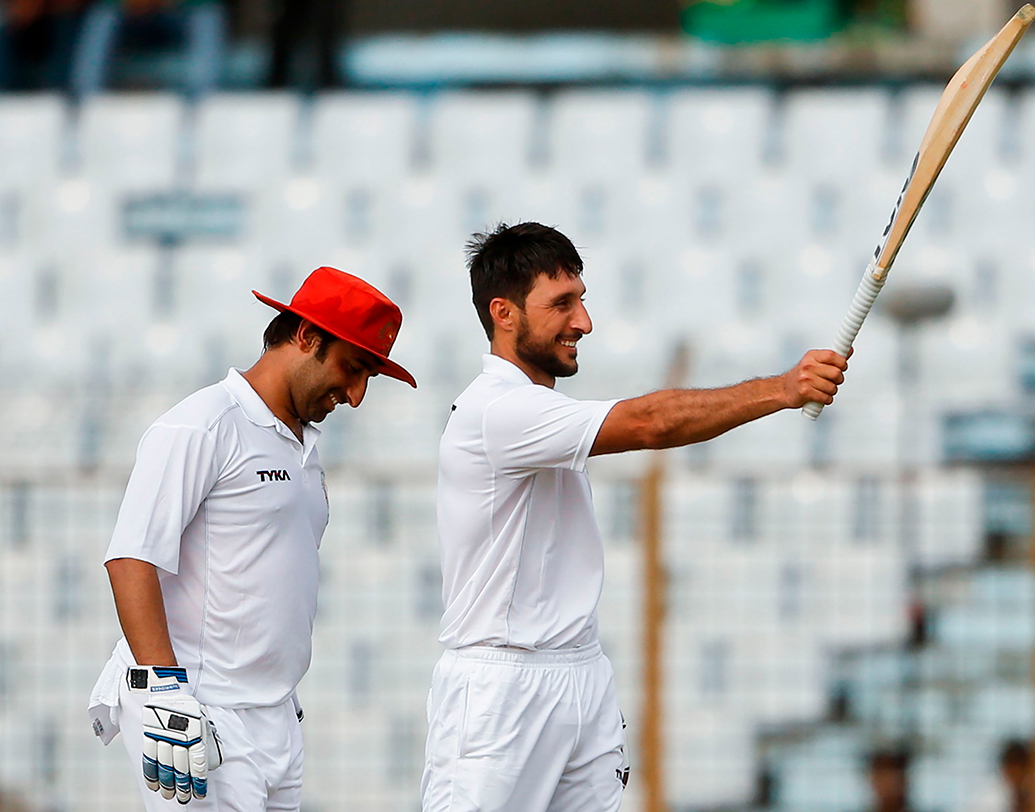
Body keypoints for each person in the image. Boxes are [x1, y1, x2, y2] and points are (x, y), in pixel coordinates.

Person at [421, 222, 851, 812]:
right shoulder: (497, 409)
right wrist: (783, 388)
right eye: (561, 304)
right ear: (504, 313)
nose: (583, 322)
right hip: (500, 689)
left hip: (579, 672)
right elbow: (650, 423)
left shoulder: (536, 409)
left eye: (582, 300)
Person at [88, 267, 415, 809]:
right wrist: (167, 693)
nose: (357, 396)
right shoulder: (203, 424)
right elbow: (130, 560)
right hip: (199, 707)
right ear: (306, 336)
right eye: (353, 368)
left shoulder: (303, 445)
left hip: (276, 714)